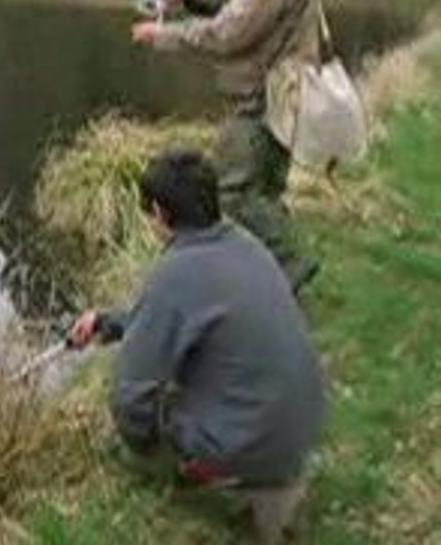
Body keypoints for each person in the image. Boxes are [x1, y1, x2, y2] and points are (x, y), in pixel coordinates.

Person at [69, 149, 326, 544]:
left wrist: (143, 439)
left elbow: (129, 397)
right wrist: (106, 323)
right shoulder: (245, 243)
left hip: (255, 447)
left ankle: (214, 483)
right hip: (304, 427)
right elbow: (183, 313)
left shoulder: (175, 273)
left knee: (134, 423)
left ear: (158, 212)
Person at [130, 0, 325, 291]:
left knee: (230, 189)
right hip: (283, 90)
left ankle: (292, 266)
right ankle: (274, 271)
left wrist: (163, 34)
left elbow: (228, 33)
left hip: (267, 96)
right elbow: (239, 3)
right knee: (264, 189)